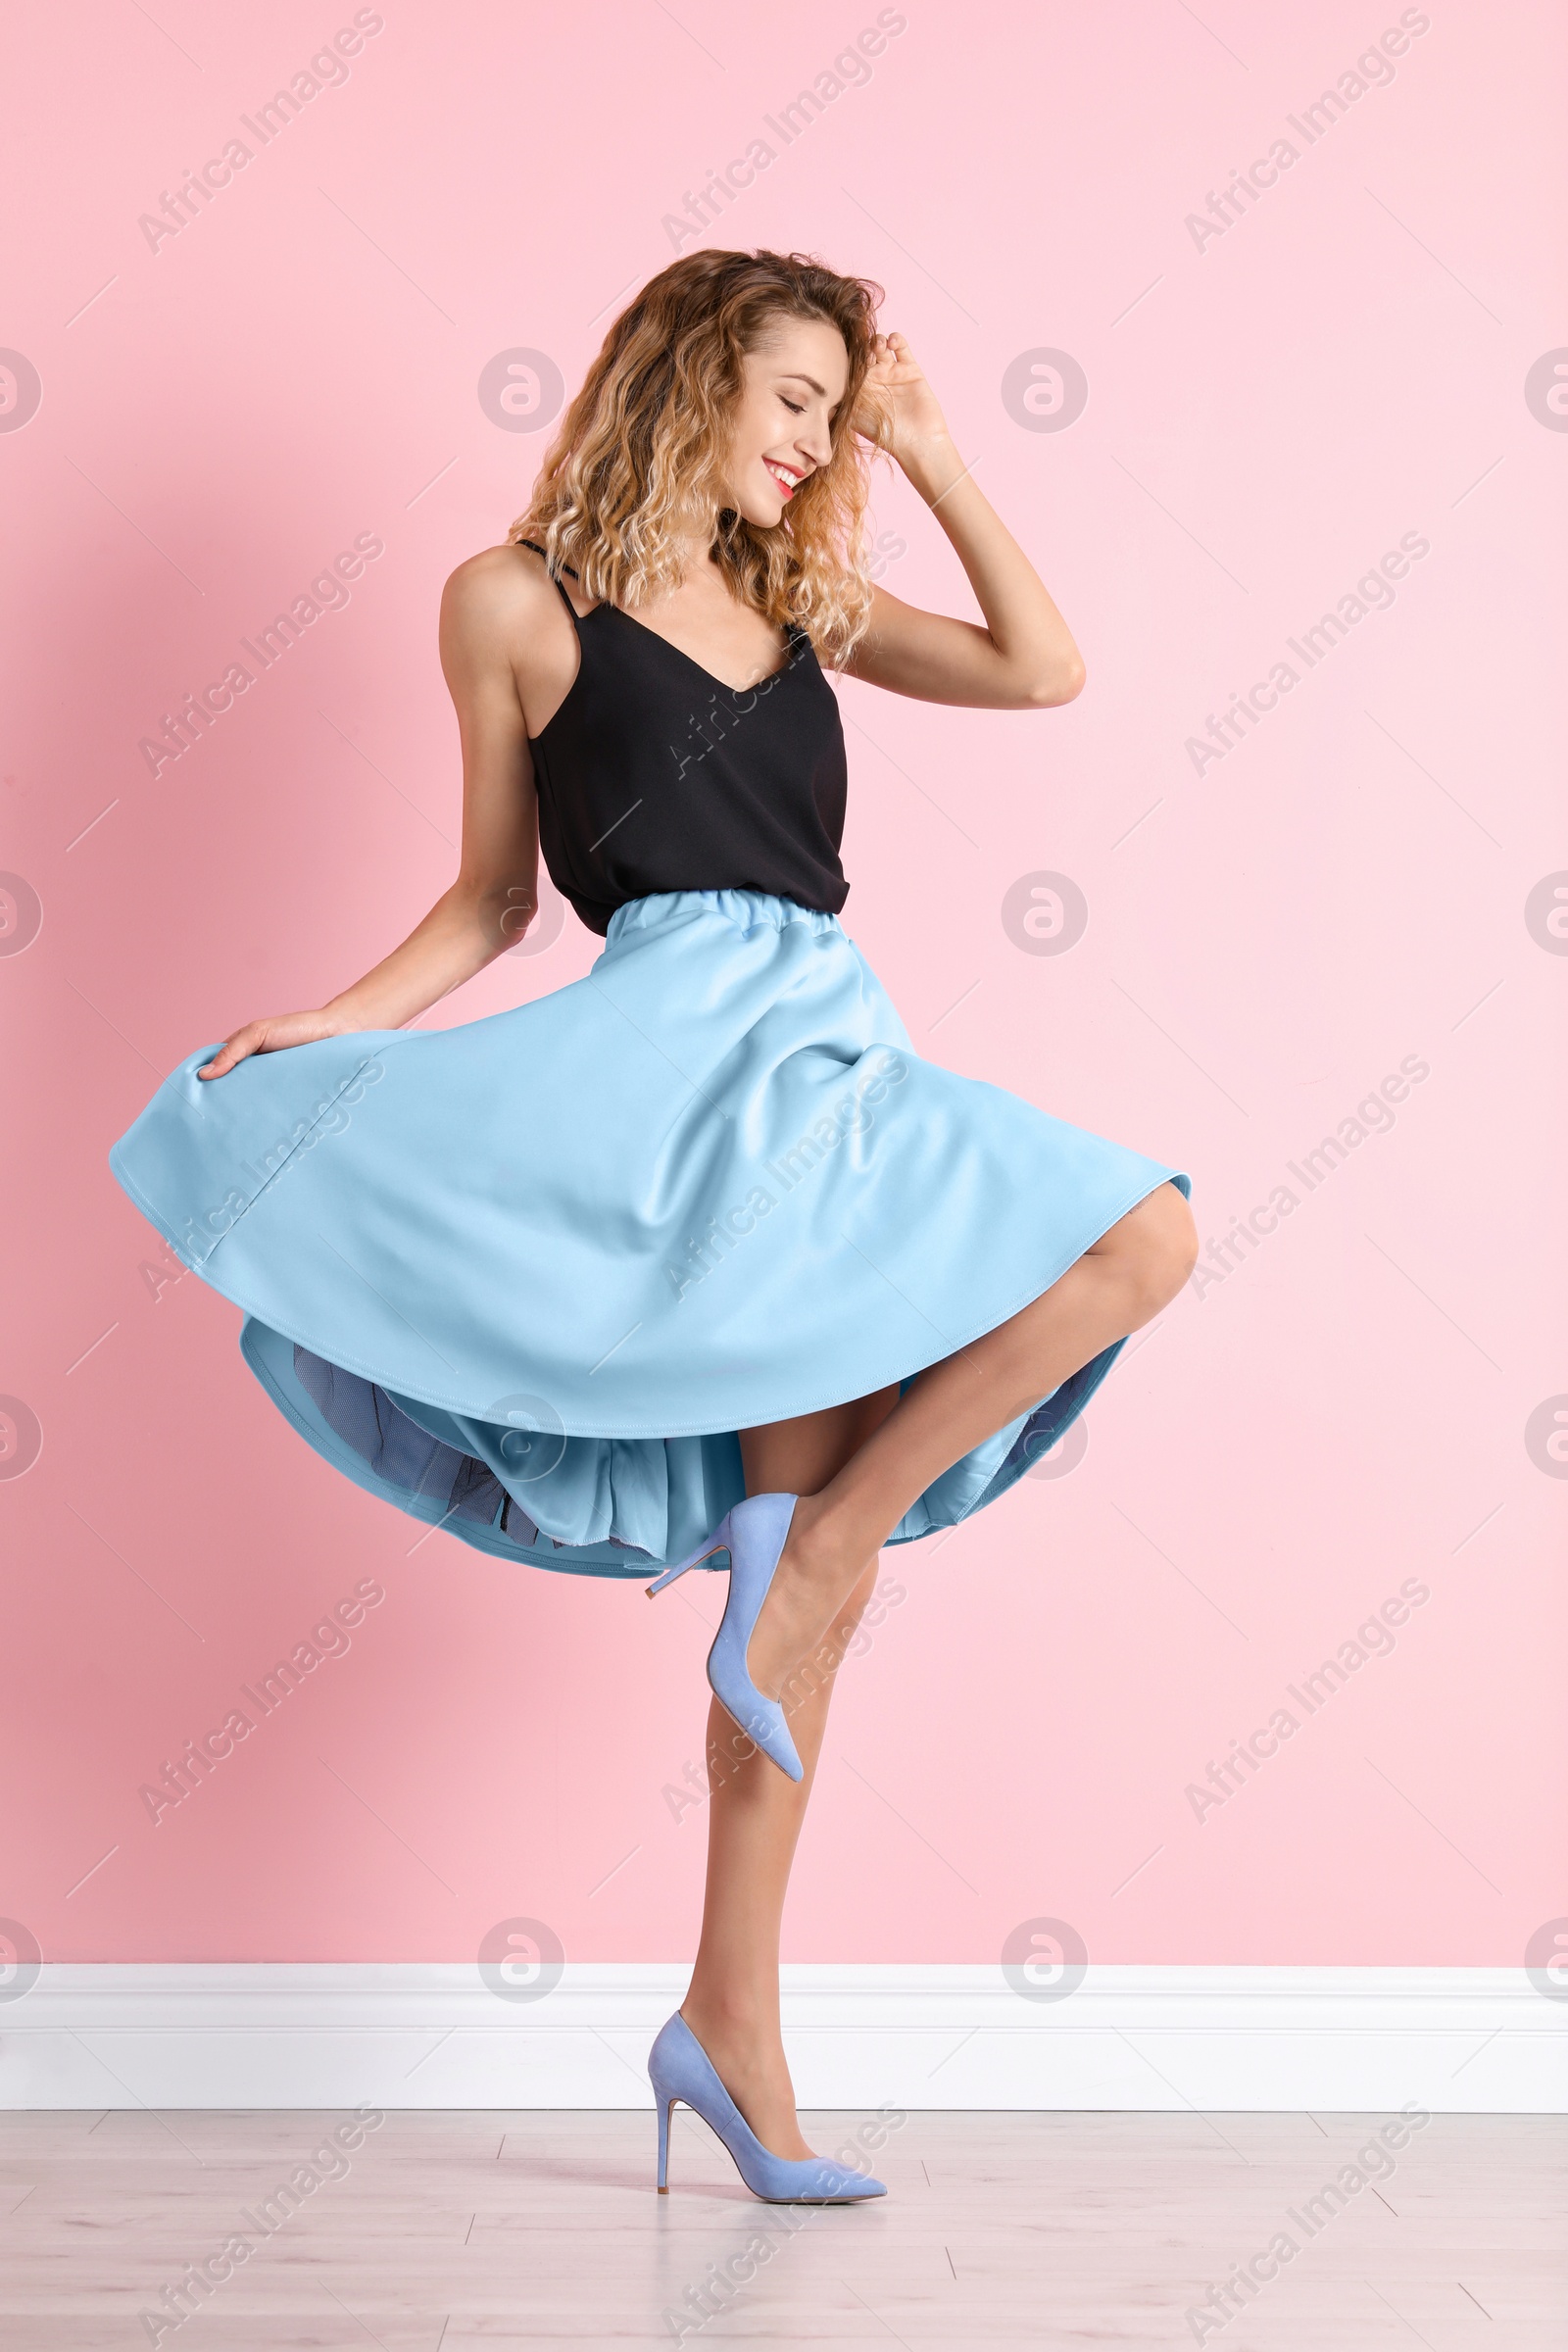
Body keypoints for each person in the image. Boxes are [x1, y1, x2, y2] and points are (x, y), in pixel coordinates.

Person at [110, 247, 1198, 2205]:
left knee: (1129, 1246)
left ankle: (806, 1621)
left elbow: (1042, 668)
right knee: (796, 1607)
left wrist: (933, 446)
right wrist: (327, 1027)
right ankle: (739, 2031)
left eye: (832, 406)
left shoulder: (805, 602)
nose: (814, 437)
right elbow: (488, 904)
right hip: (666, 1098)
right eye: (793, 394)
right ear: (683, 374)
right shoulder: (509, 604)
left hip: (826, 1068)